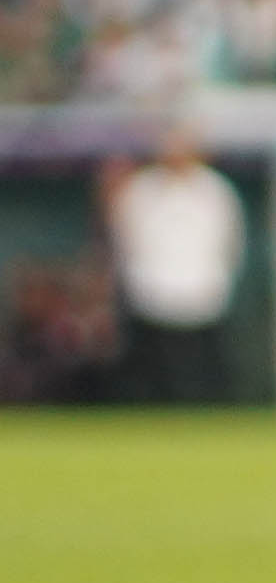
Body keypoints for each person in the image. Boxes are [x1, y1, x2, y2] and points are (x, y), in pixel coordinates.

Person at [103, 123, 243, 405]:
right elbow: (126, 239)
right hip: (152, 292)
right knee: (154, 373)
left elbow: (230, 242)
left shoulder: (215, 191)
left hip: (203, 291)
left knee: (202, 373)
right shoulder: (142, 190)